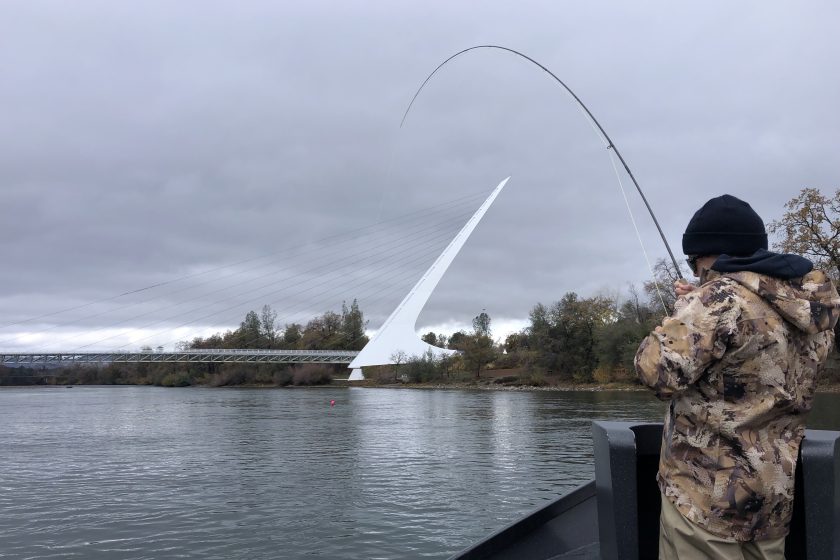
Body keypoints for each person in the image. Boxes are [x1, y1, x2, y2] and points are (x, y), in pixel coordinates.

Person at [635, 194, 840, 559]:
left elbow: (655, 371)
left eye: (695, 260)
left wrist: (688, 307)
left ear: (711, 254)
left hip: (705, 502)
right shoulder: (812, 310)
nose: (696, 270)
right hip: (772, 498)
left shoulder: (718, 299)